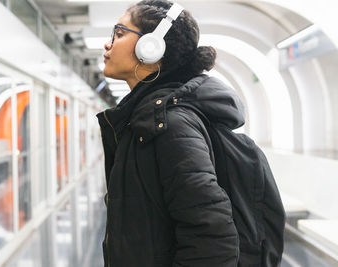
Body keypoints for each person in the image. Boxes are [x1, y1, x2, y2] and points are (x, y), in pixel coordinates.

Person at [97, 0, 244, 266]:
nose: (108, 45)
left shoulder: (171, 126)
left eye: (119, 34)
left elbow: (213, 239)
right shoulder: (143, 119)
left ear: (151, 47)